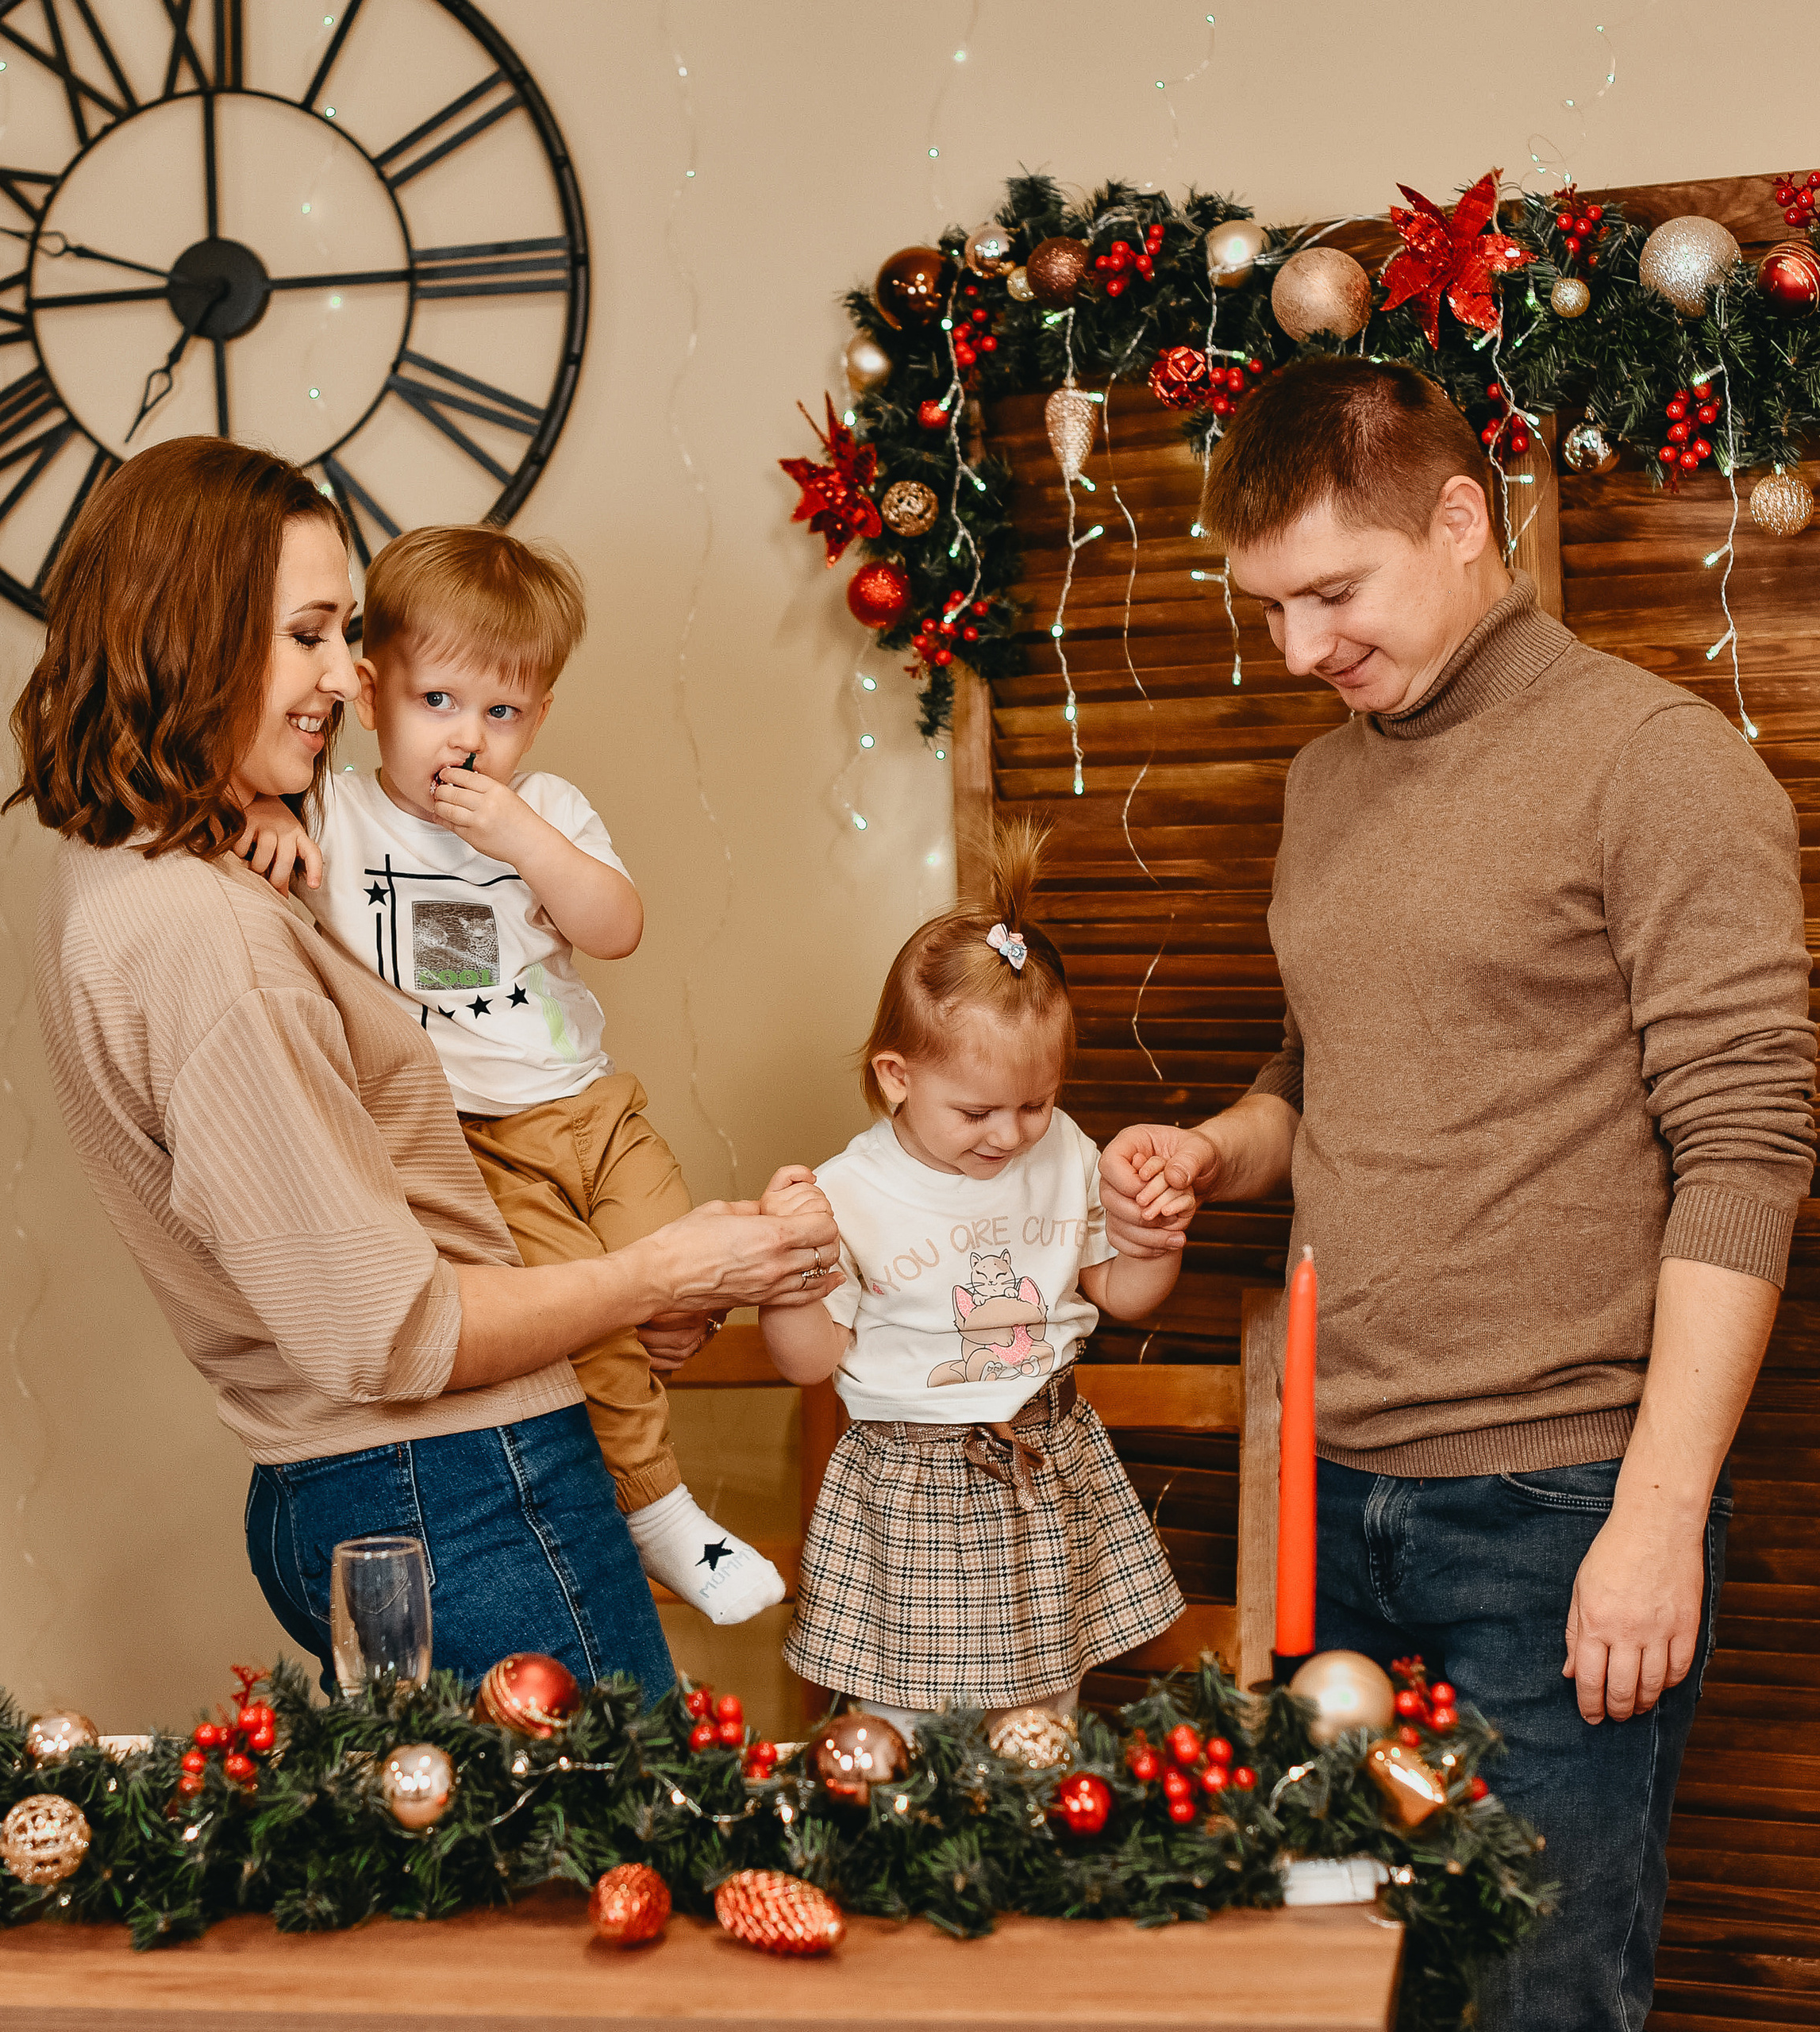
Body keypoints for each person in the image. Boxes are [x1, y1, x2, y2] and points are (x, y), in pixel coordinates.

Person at [1099, 357, 1814, 2032]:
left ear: (1457, 518)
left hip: (1556, 1512)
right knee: (1344, 1992)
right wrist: (1212, 1151)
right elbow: (1315, 1078)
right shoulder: (1325, 779)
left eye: (1332, 594)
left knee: (1538, 1999)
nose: (1299, 651)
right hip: (1330, 1494)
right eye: (1266, 609)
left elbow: (1746, 1146)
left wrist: (1656, 1516)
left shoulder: (1655, 763)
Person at [8, 437, 838, 1703]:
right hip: (455, 1486)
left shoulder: (136, 870)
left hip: (365, 1484)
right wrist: (661, 1274)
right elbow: (394, 1331)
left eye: (345, 634)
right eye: (308, 634)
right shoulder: (213, 936)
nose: (344, 676)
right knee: (623, 1824)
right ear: (188, 636)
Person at [232, 524, 784, 1626]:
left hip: (592, 1108)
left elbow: (616, 927)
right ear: (371, 694)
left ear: (540, 715)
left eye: (503, 712)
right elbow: (215, 803)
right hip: (482, 1139)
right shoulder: (336, 810)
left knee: (683, 1268)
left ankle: (656, 1400)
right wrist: (252, 809)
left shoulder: (551, 810)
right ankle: (658, 1506)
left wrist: (524, 837)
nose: (468, 738)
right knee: (595, 1315)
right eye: (438, 702)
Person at [763, 824, 1185, 1738]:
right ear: (896, 1077)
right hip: (912, 1490)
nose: (1010, 1133)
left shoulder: (1063, 1148)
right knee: (902, 1725)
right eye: (976, 1110)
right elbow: (809, 1360)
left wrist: (1153, 1242)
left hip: (1045, 1463)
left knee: (1040, 1722)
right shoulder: (849, 1192)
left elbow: (1116, 1290)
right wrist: (790, 1283)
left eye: (1036, 1102)